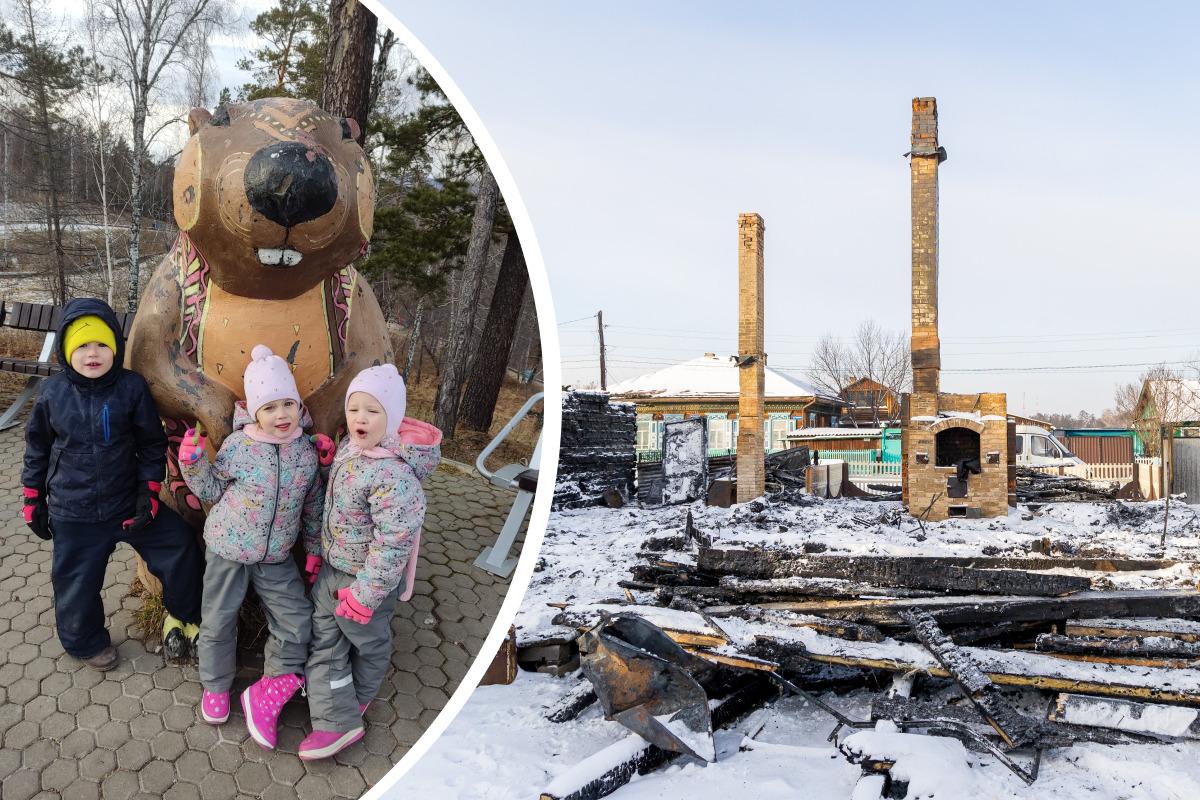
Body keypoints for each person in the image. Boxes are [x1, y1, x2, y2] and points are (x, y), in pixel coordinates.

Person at [22, 298, 204, 670]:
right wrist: (32, 498)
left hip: (127, 504)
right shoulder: (53, 394)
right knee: (76, 582)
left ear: (116, 349)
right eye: (83, 345)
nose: (93, 353)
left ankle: (187, 616)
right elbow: (37, 449)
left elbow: (152, 445)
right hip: (75, 512)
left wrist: (149, 494)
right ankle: (85, 642)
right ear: (67, 349)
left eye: (102, 344)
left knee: (180, 545)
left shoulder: (131, 388)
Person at [177, 344, 333, 748]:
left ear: (298, 405)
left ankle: (270, 687)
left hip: (277, 555)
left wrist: (314, 548)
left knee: (297, 620)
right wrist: (192, 463)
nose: (281, 415)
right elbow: (211, 488)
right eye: (270, 407)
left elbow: (314, 503)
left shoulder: (304, 452)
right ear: (254, 411)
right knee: (218, 619)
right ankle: (215, 686)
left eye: (288, 404)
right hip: (229, 549)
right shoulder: (239, 447)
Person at [300, 364, 441, 761]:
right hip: (333, 567)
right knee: (324, 641)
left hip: (365, 580)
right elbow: (344, 499)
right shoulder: (353, 448)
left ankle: (359, 697)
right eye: (354, 409)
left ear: (392, 418)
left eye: (373, 411)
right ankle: (336, 718)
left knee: (367, 641)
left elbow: (395, 542)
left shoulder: (395, 476)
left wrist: (366, 594)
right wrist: (329, 464)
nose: (360, 418)